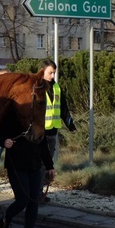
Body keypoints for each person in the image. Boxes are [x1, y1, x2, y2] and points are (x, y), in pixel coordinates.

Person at [0, 115, 55, 228]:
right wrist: (4, 141)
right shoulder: (12, 115)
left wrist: (50, 166)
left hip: (34, 164)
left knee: (34, 200)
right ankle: (5, 220)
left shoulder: (37, 118)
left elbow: (43, 143)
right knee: (23, 199)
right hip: (16, 164)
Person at [41, 59, 76, 202]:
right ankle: (37, 192)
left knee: (48, 165)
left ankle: (41, 192)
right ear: (42, 71)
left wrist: (71, 125)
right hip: (40, 132)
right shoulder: (37, 88)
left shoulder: (57, 88)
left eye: (54, 73)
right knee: (41, 163)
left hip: (52, 131)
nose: (52, 76)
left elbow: (63, 109)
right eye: (50, 73)